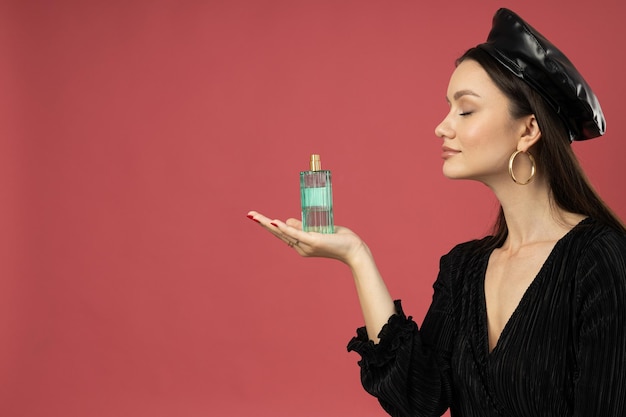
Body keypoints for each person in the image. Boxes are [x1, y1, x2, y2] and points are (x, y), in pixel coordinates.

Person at [247, 8, 626, 417]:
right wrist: (356, 256)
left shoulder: (600, 260)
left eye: (465, 110)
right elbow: (418, 399)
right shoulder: (464, 269)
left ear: (529, 130)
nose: (442, 127)